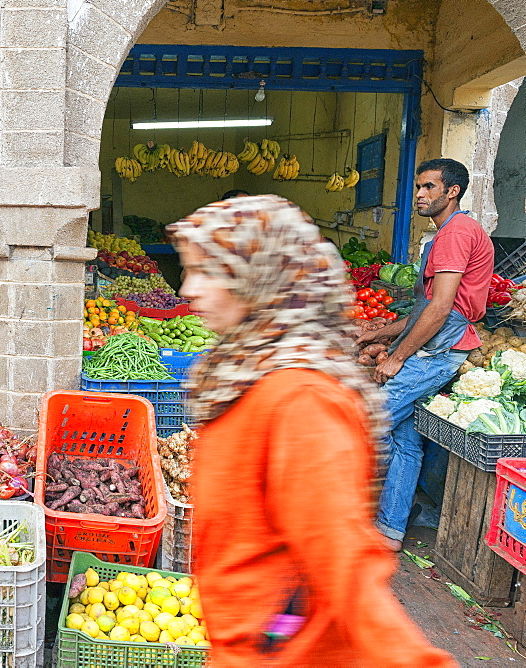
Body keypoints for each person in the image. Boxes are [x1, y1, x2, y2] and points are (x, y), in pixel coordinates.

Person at [169, 195, 455, 666]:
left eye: (206, 271)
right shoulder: (246, 371)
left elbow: (342, 560)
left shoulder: (301, 398)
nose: (188, 289)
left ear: (256, 278)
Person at [356, 158, 494, 551]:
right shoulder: (452, 232)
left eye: (429, 187)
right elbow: (427, 308)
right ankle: (391, 530)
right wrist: (381, 333)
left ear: (452, 192)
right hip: (438, 342)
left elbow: (441, 309)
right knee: (405, 441)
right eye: (418, 187)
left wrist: (397, 358)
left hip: (437, 350)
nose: (419, 195)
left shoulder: (455, 234)